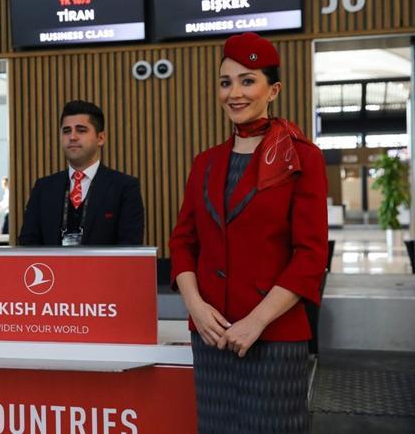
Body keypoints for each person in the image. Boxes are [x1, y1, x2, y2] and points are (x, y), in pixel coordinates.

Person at [169, 32, 328, 433]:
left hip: (273, 336)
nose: (234, 93)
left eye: (247, 81)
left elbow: (310, 256)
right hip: (212, 336)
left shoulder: (301, 158)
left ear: (273, 90)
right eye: (226, 82)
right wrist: (195, 307)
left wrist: (256, 321)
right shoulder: (205, 163)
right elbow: (183, 242)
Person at [19, 100, 144, 246]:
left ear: (100, 138)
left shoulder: (124, 188)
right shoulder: (43, 188)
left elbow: (130, 246)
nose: (72, 137)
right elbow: (28, 243)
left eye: (81, 130)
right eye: (67, 131)